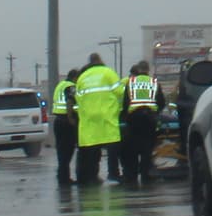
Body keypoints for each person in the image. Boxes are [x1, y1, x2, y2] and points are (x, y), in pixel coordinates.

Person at [73, 53, 122, 185]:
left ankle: (91, 177)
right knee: (112, 149)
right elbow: (120, 92)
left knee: (92, 151)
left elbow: (78, 100)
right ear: (101, 61)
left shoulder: (82, 78)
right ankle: (113, 175)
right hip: (108, 117)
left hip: (89, 120)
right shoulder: (108, 73)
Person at [121, 60, 168, 185]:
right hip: (149, 119)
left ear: (138, 69)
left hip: (133, 118)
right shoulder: (154, 82)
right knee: (147, 148)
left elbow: (125, 102)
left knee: (132, 148)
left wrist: (127, 114)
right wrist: (155, 112)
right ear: (148, 69)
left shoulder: (130, 82)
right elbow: (161, 102)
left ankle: (132, 175)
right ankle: (146, 174)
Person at [51, 68, 80, 185]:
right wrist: (71, 118)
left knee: (61, 151)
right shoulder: (71, 86)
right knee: (67, 151)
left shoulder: (60, 85)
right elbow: (69, 102)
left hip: (58, 121)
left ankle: (62, 176)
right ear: (75, 77)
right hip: (66, 122)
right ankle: (65, 179)